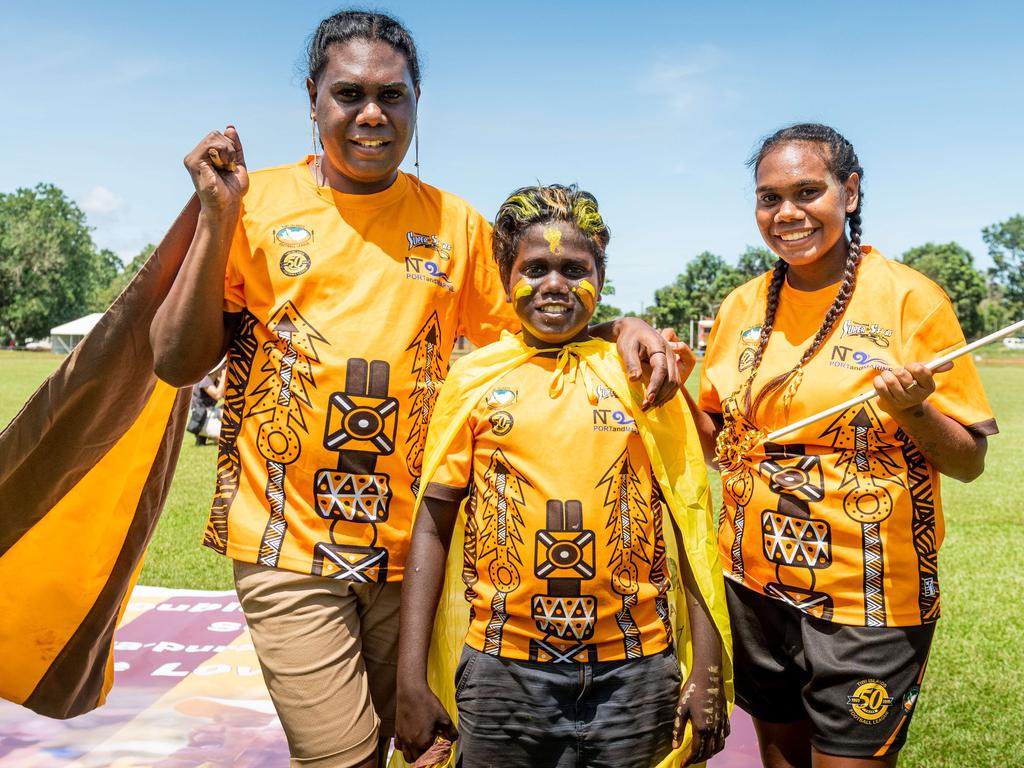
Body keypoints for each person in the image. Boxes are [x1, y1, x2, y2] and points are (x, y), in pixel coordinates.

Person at [148, 11, 679, 768]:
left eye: (392, 96)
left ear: (417, 100)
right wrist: (214, 217)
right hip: (286, 542)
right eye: (350, 94)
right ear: (312, 98)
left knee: (426, 746)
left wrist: (623, 326)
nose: (372, 114)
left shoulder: (454, 226)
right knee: (340, 756)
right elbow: (174, 359)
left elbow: (538, 330)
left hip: (418, 550)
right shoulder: (253, 202)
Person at [691, 124, 998, 768]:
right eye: (769, 198)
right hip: (751, 583)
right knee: (780, 758)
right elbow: (718, 444)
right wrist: (664, 394)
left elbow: (968, 461)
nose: (788, 213)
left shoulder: (910, 298)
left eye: (808, 191)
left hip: (869, 598)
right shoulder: (740, 306)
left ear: (849, 192)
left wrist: (911, 409)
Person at [394, 185, 731, 768]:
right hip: (503, 673)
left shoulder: (643, 377)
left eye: (576, 268)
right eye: (535, 268)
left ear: (602, 276)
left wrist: (705, 670)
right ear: (504, 275)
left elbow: (691, 530)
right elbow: (432, 526)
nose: (554, 284)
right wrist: (409, 679)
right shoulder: (474, 381)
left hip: (636, 672)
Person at [187, 362, 226, 445]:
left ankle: (203, 435)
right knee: (225, 438)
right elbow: (217, 395)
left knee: (227, 407)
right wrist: (223, 377)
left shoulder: (215, 381)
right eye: (224, 366)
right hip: (199, 415)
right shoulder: (204, 379)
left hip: (209, 412)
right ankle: (203, 432)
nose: (225, 368)